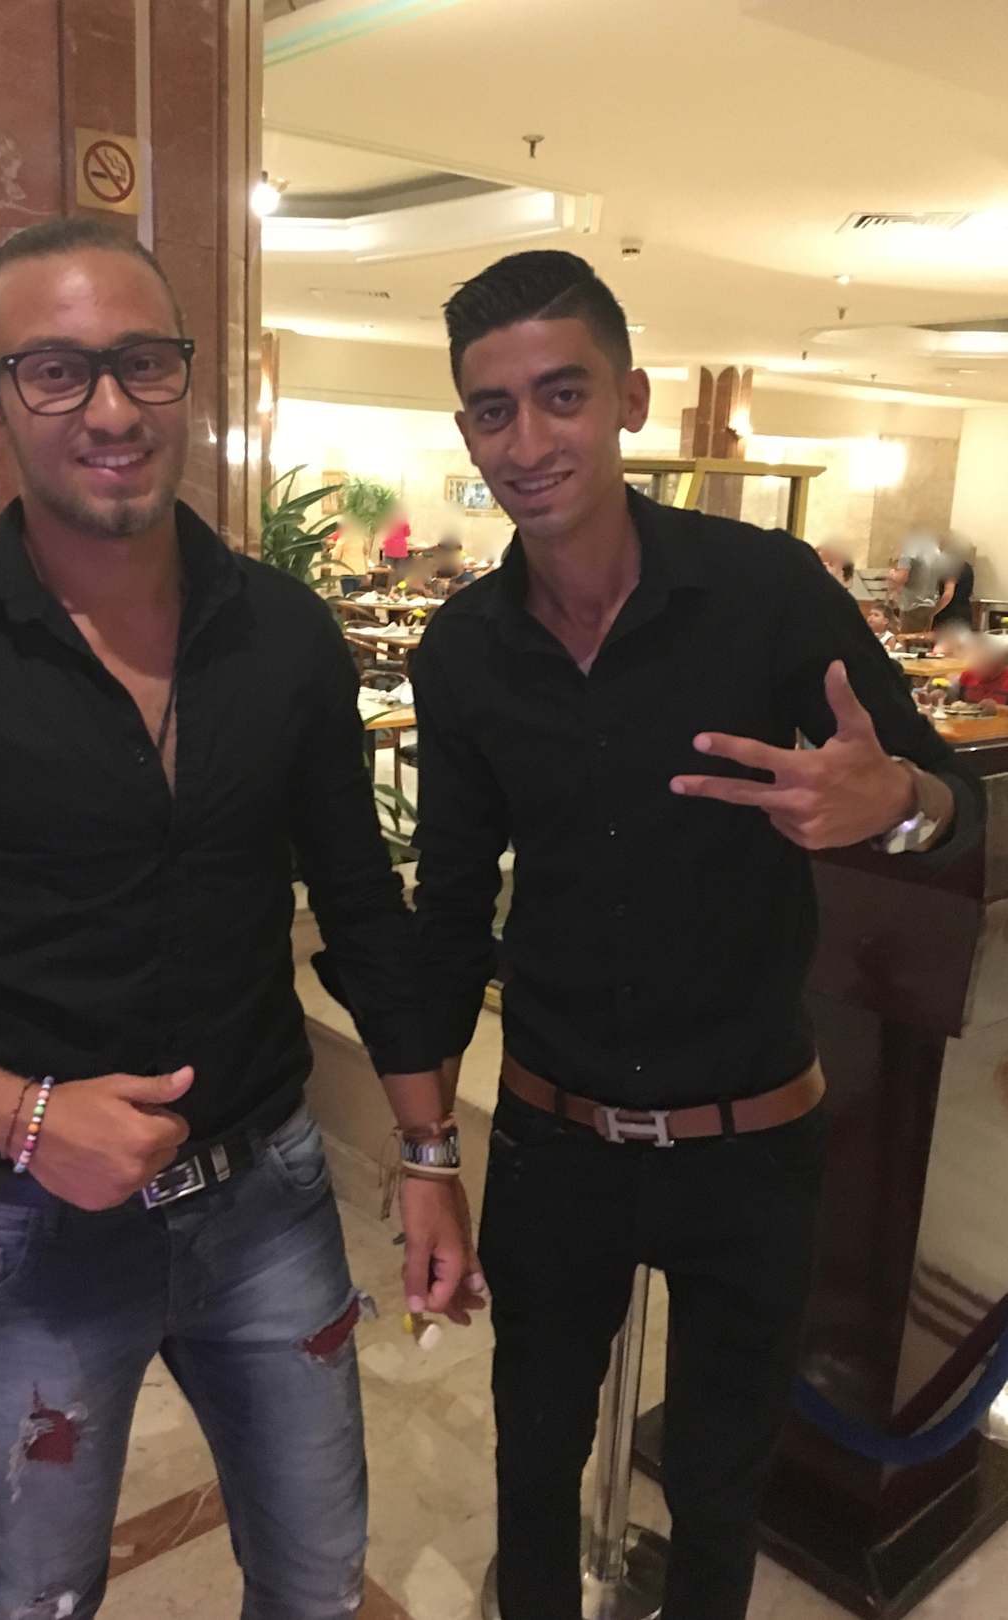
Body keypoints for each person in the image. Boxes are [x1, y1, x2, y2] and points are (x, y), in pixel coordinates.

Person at [0, 217, 482, 1620]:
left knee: (314, 1578)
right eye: (55, 370)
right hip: (35, 1224)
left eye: (142, 362)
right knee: (42, 1593)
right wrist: (23, 1117)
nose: (109, 409)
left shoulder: (284, 636)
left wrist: (426, 1152)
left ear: (186, 379)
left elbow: (361, 910)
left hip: (272, 1200)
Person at [410, 249, 983, 1620]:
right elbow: (447, 912)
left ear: (630, 400)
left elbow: (948, 799)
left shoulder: (765, 590)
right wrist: (425, 1155)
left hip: (751, 1141)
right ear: (467, 431)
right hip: (552, 1139)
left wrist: (895, 803)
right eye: (493, 409)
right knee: (531, 1467)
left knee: (724, 1487)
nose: (527, 441)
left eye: (562, 395)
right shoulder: (462, 654)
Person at [932, 537, 976, 629]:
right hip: (965, 613)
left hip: (949, 616)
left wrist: (933, 612)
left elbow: (948, 594)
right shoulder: (967, 566)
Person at [956, 634, 1008, 710]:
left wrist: (997, 707)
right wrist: (942, 696)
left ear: (1001, 662)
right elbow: (956, 703)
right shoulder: (967, 676)